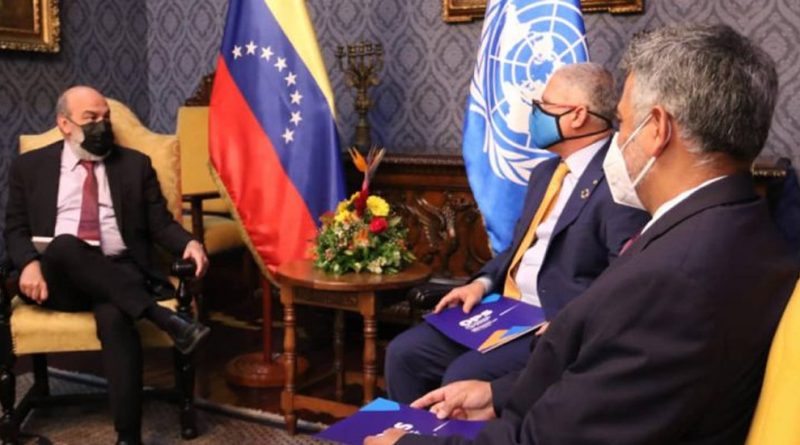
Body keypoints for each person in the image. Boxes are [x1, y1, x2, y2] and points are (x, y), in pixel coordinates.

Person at [367, 23, 799, 445]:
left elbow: (549, 437)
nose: (616, 140)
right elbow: (612, 384)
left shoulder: (670, 282)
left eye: (623, 123)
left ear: (657, 130)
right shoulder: (746, 228)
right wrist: (498, 395)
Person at [384, 63, 649, 404]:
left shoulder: (619, 179)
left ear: (578, 116)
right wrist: (480, 284)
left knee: (463, 376)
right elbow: (519, 248)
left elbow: (623, 274)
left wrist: (572, 321)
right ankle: (409, 432)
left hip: (552, 319)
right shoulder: (545, 173)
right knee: (404, 353)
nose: (534, 112)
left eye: (544, 105)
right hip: (504, 309)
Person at [5, 86, 211, 445]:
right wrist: (28, 265)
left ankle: (128, 438)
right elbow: (15, 229)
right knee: (65, 244)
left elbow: (160, 224)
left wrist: (190, 243)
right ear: (64, 124)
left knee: (116, 316)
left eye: (106, 118)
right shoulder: (30, 166)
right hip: (58, 279)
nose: (102, 126)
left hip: (120, 271)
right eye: (90, 119)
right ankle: (163, 318)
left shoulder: (135, 164)